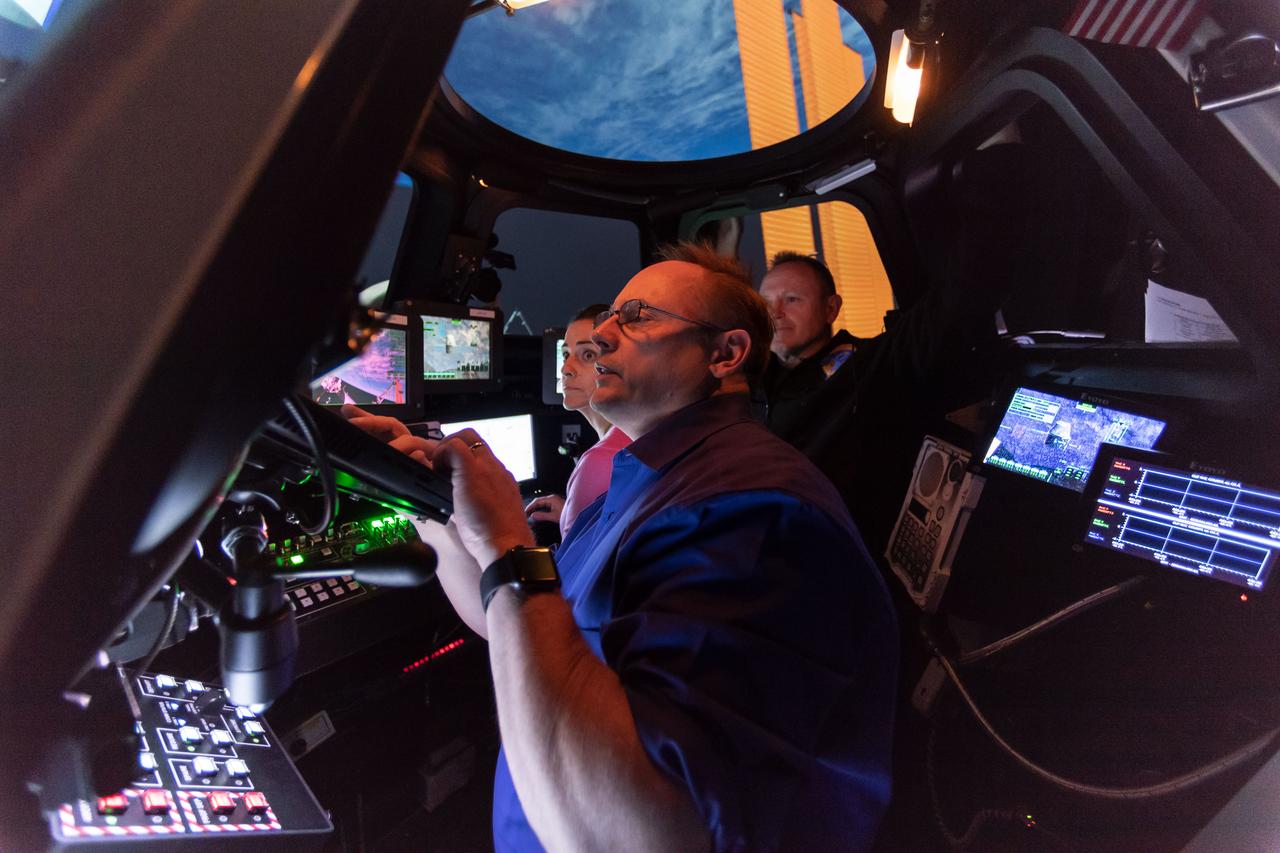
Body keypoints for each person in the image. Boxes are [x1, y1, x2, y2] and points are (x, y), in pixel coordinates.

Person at [347, 243, 898, 852]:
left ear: (725, 354)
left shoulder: (751, 516)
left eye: (637, 316)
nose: (598, 338)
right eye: (608, 315)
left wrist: (505, 535)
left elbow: (637, 838)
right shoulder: (648, 476)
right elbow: (523, 618)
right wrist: (433, 504)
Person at [754, 143, 1048, 557]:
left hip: (838, 556)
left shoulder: (871, 366)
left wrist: (997, 158)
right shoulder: (748, 384)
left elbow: (964, 292)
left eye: (793, 300)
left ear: (831, 308)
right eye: (766, 304)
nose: (776, 315)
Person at [524, 304, 631, 538]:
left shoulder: (600, 462)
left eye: (588, 355)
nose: (565, 369)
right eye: (565, 354)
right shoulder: (636, 437)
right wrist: (571, 513)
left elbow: (569, 572)